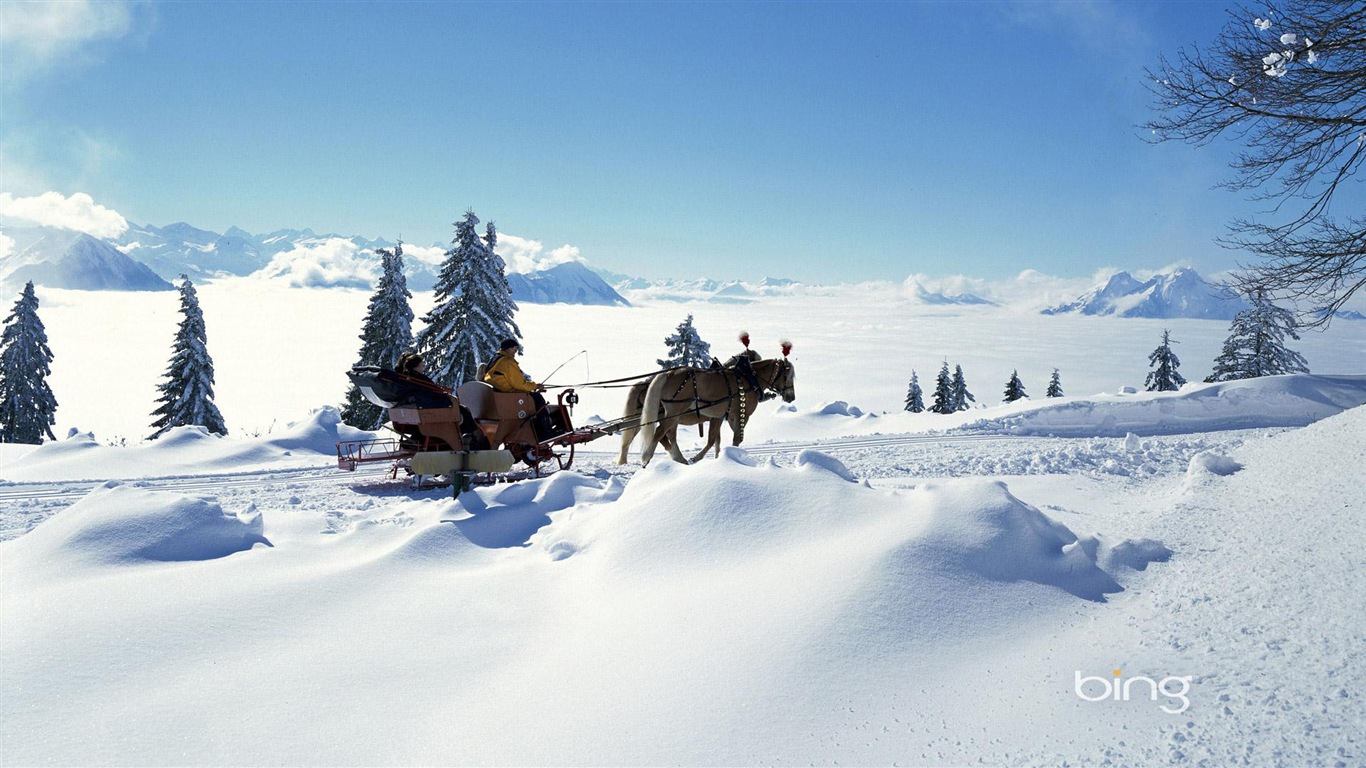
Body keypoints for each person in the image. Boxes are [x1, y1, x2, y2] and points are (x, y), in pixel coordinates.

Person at [483, 338, 560, 439]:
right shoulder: (508, 361)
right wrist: (535, 386)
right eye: (514, 348)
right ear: (507, 348)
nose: (516, 351)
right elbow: (519, 384)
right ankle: (546, 431)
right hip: (509, 395)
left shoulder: (496, 359)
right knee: (538, 398)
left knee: (534, 396)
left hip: (500, 391)